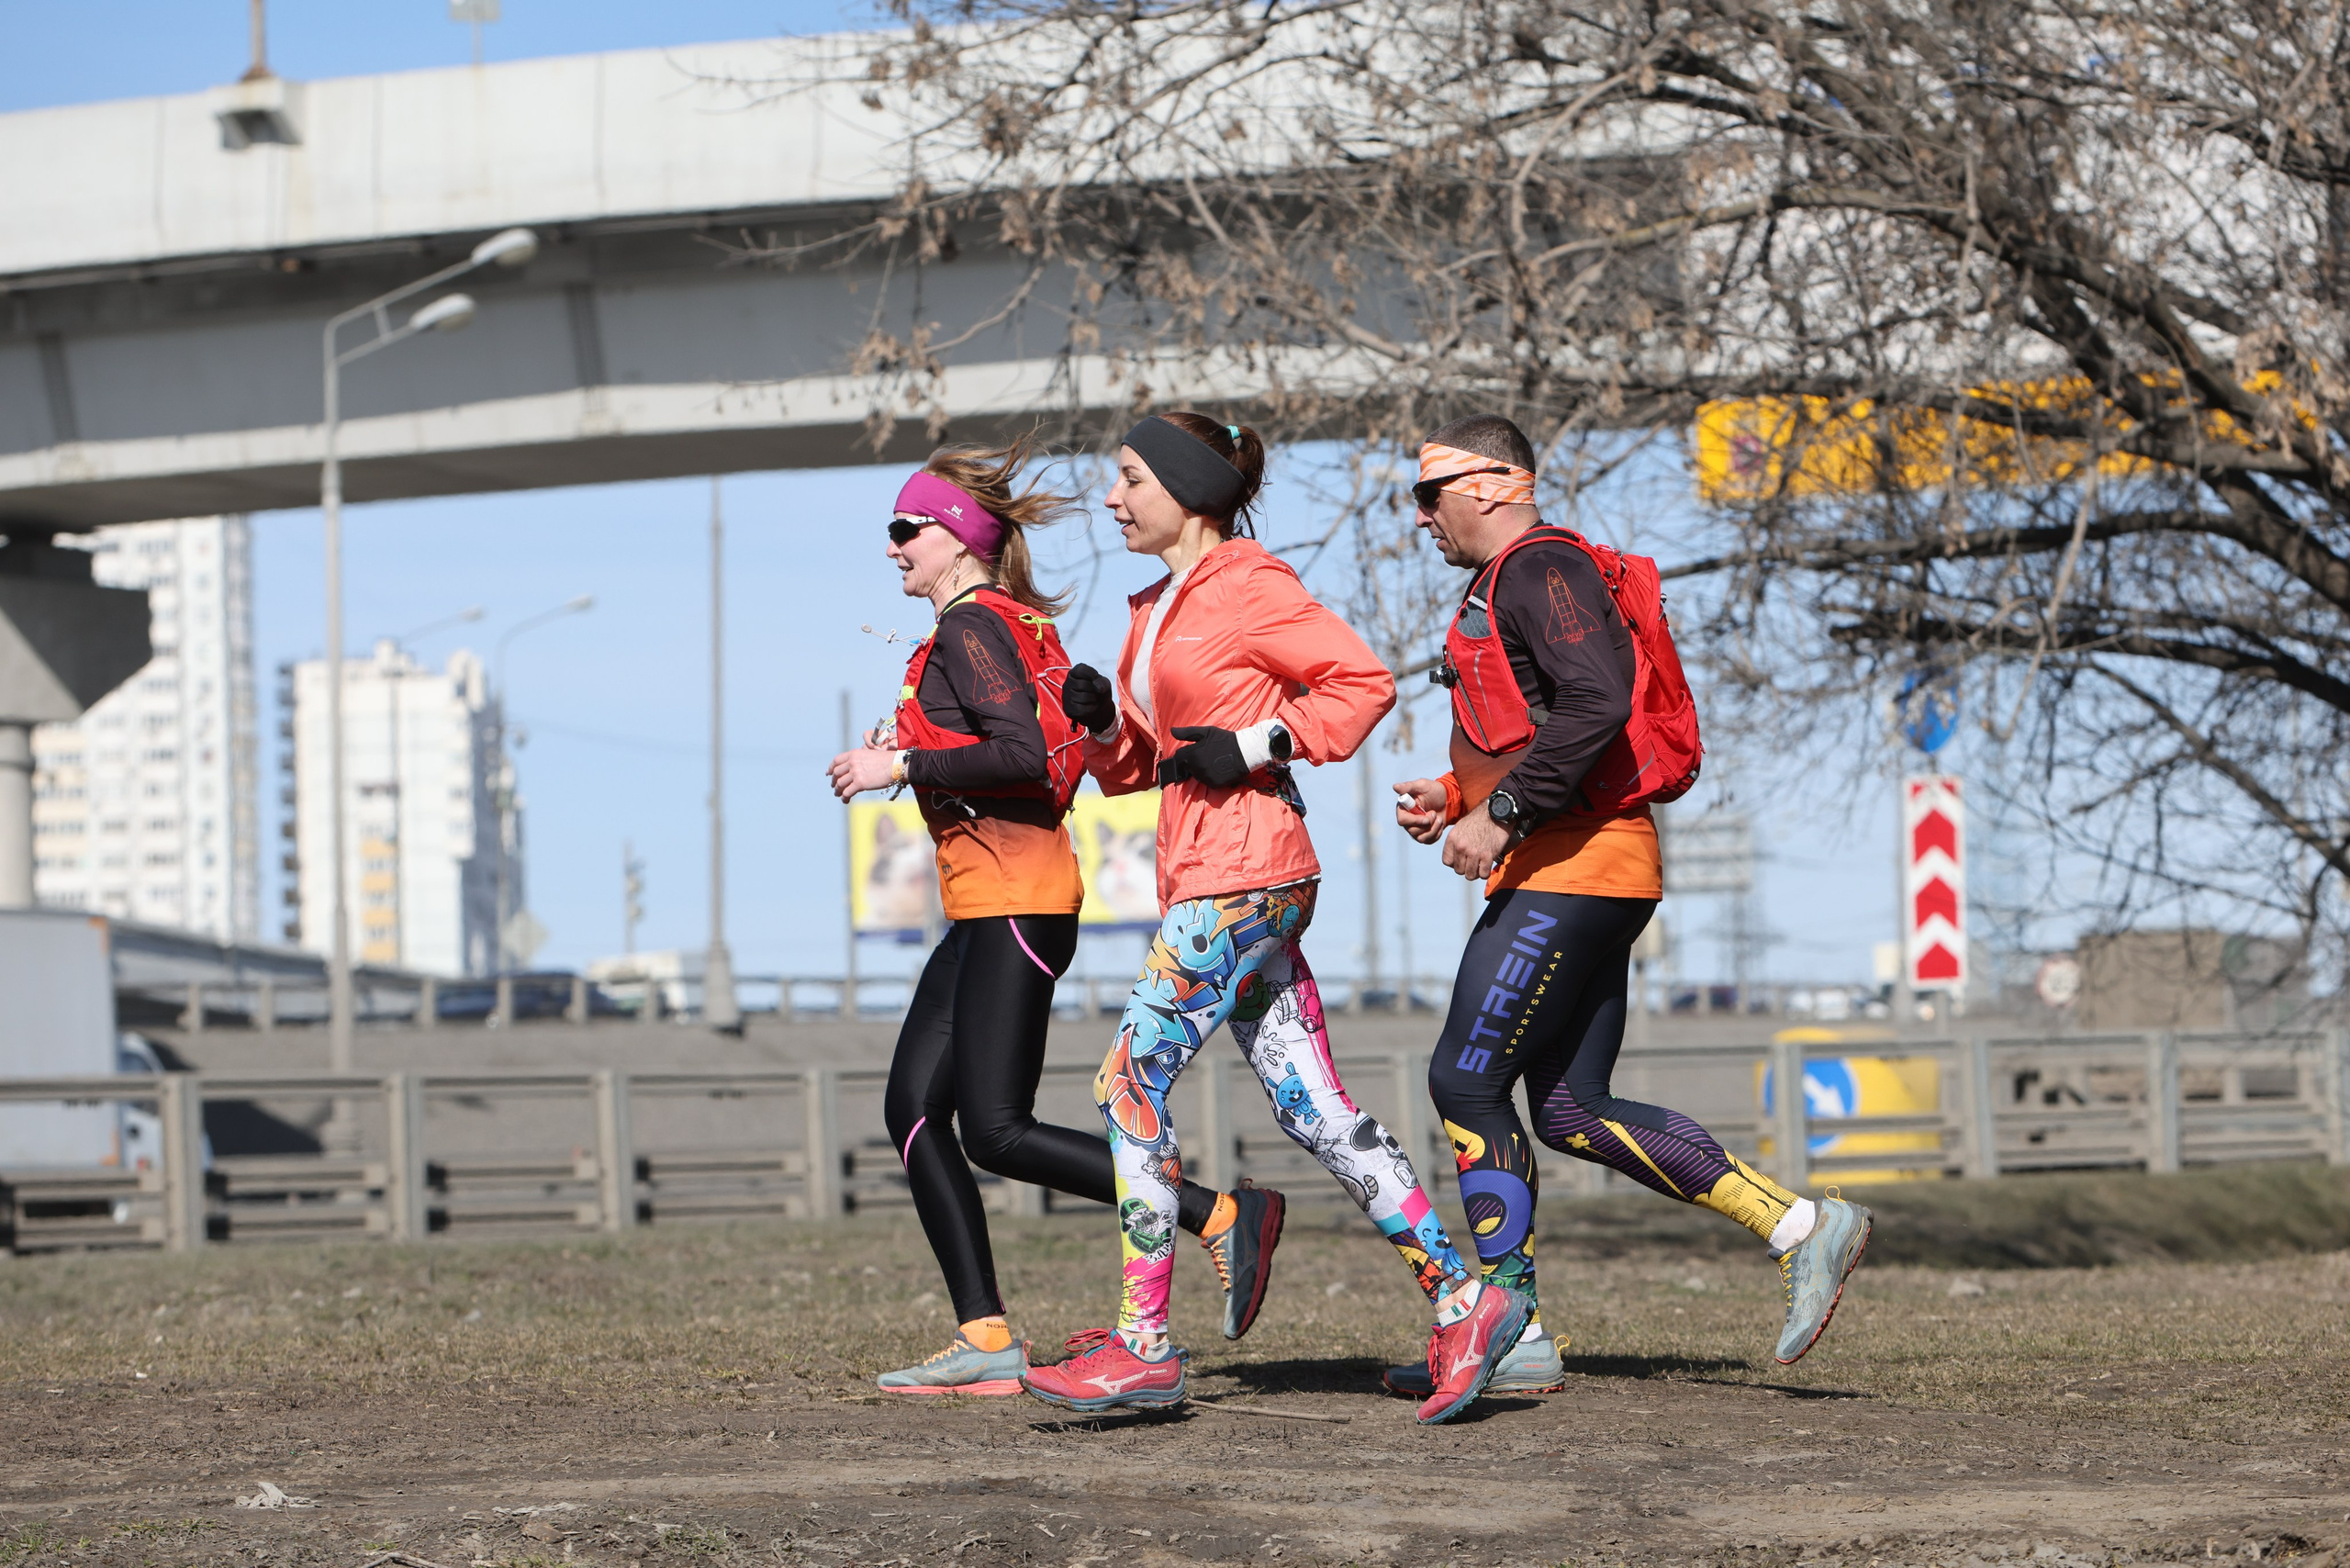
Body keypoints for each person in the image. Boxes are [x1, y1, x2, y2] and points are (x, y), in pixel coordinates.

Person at [1015, 412, 1530, 1426]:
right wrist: (1104, 721)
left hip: (1241, 878)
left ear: (1188, 490)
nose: (1112, 498)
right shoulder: (1153, 606)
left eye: (1131, 478)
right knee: (1315, 1109)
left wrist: (1256, 744)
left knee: (1127, 1083)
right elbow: (1146, 765)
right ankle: (1465, 1303)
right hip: (1222, 874)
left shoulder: (1248, 584)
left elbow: (1361, 685)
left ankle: (1142, 1347)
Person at [1383, 414, 1873, 1399]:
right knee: (1570, 1109)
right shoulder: (1512, 579)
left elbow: (1597, 700)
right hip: (1578, 868)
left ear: (1489, 485)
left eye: (1428, 496)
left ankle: (1511, 1329)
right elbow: (1538, 726)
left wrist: (1502, 816)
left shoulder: (1540, 567)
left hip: (1577, 867)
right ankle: (1801, 1226)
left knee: (1464, 1080)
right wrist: (1458, 795)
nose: (1421, 518)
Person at [826, 439, 1287, 1398]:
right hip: (985, 907)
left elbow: (1023, 758)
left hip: (1019, 902)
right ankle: (986, 1335)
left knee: (995, 1129)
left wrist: (896, 764)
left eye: (905, 528)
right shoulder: (996, 624)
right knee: (913, 1112)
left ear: (957, 537)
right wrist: (913, 746)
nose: (891, 547)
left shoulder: (972, 627)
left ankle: (1216, 1214)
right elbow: (1007, 743)